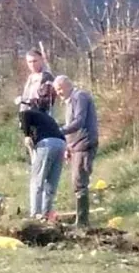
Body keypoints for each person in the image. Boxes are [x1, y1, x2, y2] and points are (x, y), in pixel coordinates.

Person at [53, 75, 99, 228]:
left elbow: (78, 122)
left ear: (67, 85)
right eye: (56, 90)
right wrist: (68, 147)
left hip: (84, 144)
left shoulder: (79, 97)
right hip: (75, 146)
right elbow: (71, 127)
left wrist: (59, 131)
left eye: (59, 88)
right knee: (76, 182)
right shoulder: (69, 102)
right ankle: (81, 220)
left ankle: (83, 222)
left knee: (80, 182)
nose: (58, 92)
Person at [19, 83, 65, 220]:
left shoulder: (31, 112)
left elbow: (24, 114)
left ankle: (35, 215)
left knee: (37, 181)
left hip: (46, 144)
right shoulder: (49, 118)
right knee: (51, 183)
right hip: (61, 144)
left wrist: (27, 134)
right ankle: (46, 214)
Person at [17, 48, 55, 112]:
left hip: (41, 116)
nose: (32, 64)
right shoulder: (30, 77)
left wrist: (26, 101)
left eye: (35, 61)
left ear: (41, 60)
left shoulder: (46, 77)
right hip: (29, 115)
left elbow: (46, 102)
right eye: (30, 62)